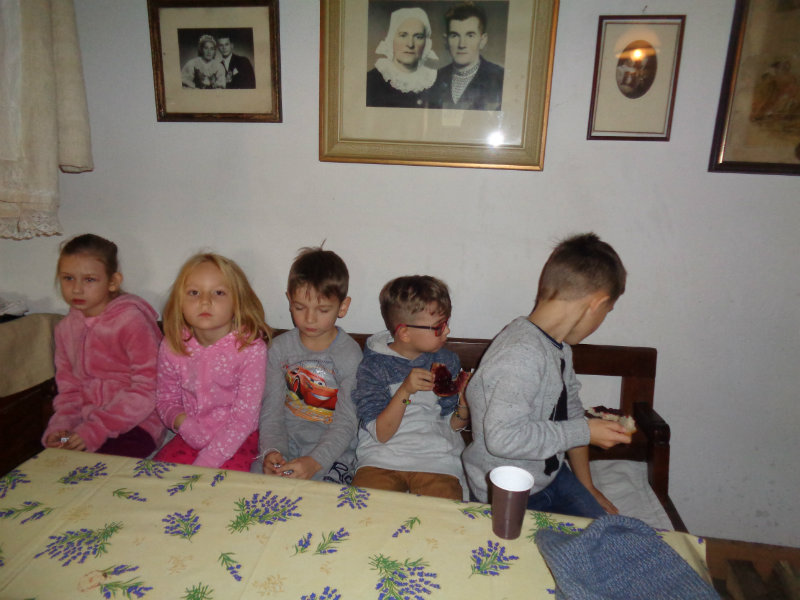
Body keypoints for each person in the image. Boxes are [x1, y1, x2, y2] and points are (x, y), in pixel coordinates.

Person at [462, 233, 632, 518]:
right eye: (607, 311)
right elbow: (503, 437)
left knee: (612, 533)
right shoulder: (520, 354)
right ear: (596, 304)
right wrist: (586, 432)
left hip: (552, 476)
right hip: (508, 490)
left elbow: (572, 413)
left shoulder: (560, 347)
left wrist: (587, 486)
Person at [42, 234, 166, 458]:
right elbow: (69, 391)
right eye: (68, 278)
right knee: (56, 455)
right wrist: (60, 430)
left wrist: (96, 429)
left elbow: (148, 389)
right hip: (84, 426)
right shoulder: (64, 330)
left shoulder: (131, 321)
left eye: (89, 280)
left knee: (95, 466)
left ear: (113, 282)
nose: (77, 289)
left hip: (137, 425)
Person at [352, 275, 470, 500]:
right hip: (381, 459)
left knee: (443, 518)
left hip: (436, 461)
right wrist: (405, 391)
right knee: (363, 513)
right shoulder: (374, 366)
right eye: (438, 327)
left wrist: (464, 407)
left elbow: (452, 425)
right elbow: (381, 434)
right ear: (404, 333)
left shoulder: (447, 361)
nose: (447, 331)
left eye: (446, 323)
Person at [254, 247, 362, 483]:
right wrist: (273, 452)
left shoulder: (350, 355)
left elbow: (347, 423)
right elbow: (271, 412)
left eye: (322, 310)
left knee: (324, 500)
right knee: (254, 488)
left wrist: (314, 462)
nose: (310, 319)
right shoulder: (279, 349)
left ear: (343, 307)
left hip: (333, 454)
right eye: (300, 307)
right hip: (286, 445)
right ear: (289, 300)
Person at [154, 253, 270, 470]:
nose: (205, 301)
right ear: (180, 301)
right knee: (158, 476)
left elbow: (244, 419)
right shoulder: (172, 345)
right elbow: (165, 400)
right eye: (194, 293)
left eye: (218, 292)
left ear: (237, 302)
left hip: (239, 439)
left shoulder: (251, 350)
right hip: (190, 434)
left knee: (223, 485)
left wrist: (207, 461)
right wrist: (185, 425)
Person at [429, 2, 504, 110]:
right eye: (455, 35)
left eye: (470, 35)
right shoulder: (432, 80)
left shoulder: (500, 78)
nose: (462, 44)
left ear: (482, 41)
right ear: (446, 41)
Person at [366, 7, 438, 108]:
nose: (410, 44)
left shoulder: (434, 82)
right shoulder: (370, 81)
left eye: (418, 37)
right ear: (391, 39)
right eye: (403, 35)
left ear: (426, 43)